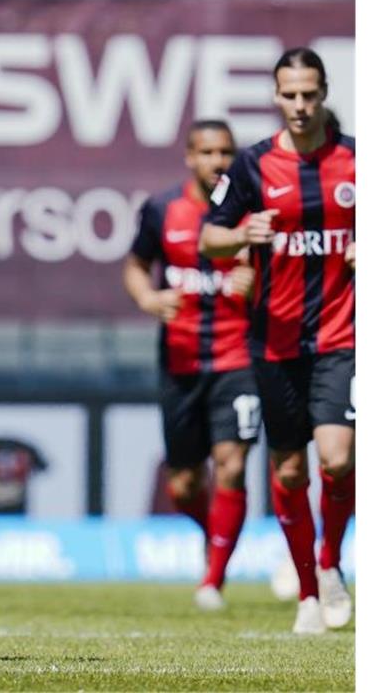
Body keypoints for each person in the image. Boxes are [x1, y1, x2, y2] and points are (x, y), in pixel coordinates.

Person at [199, 48, 355, 634]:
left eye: (309, 94)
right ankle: (309, 596)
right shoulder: (251, 165)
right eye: (289, 94)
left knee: (338, 460)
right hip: (274, 343)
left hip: (341, 337)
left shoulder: (357, 162)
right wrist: (240, 232)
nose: (299, 105)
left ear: (323, 92)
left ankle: (331, 562)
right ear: (275, 95)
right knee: (290, 472)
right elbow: (211, 238)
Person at [124, 120, 259, 611]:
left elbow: (282, 277)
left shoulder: (254, 213)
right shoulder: (163, 209)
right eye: (207, 152)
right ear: (189, 156)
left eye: (226, 152)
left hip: (238, 360)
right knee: (183, 487)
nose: (217, 162)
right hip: (180, 361)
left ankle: (213, 580)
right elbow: (137, 264)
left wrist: (255, 286)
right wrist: (147, 297)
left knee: (232, 464)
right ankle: (216, 534)